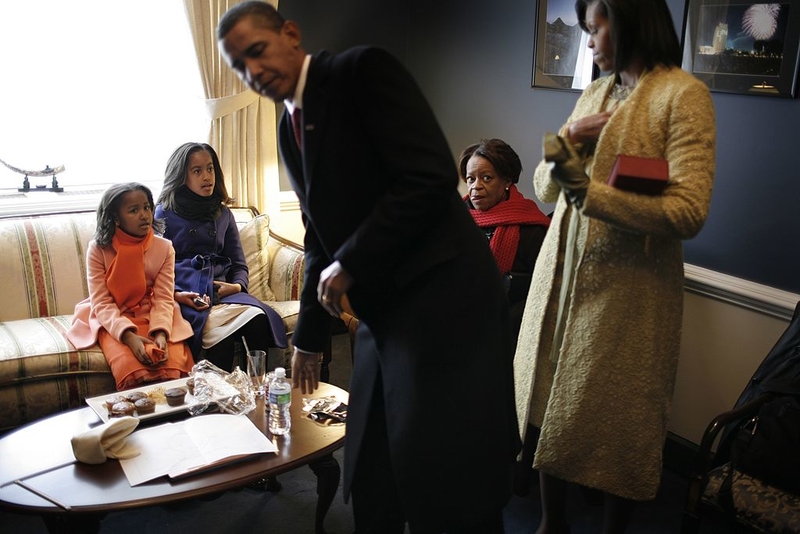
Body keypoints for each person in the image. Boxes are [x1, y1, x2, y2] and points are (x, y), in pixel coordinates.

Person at [217, 3, 520, 532]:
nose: (253, 71)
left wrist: (350, 262)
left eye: (258, 50)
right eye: (240, 66)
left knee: (447, 476)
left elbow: (426, 178)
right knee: (373, 463)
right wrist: (309, 336)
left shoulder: (362, 71)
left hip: (446, 302)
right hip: (386, 316)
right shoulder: (290, 130)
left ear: (290, 34)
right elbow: (318, 238)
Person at [513, 0, 716, 532]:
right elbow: (543, 188)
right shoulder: (598, 90)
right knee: (550, 400)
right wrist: (568, 143)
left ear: (629, 18)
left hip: (629, 291)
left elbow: (688, 211)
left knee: (617, 417)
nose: (589, 40)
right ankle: (550, 524)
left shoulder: (683, 96)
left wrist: (590, 195)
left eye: (595, 26)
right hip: (561, 274)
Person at [154, 142, 287, 372]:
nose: (207, 177)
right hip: (187, 294)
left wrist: (236, 286)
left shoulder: (222, 213)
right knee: (221, 339)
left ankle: (256, 390)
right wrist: (178, 294)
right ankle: (219, 402)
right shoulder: (163, 213)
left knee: (260, 320)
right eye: (197, 171)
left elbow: (238, 263)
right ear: (181, 176)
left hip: (224, 294)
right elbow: (155, 270)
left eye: (210, 168)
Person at [67, 183, 195, 391]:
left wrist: (161, 333)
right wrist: (128, 337)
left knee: (174, 363)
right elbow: (101, 302)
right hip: (113, 317)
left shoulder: (165, 248)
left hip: (153, 314)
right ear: (115, 218)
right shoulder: (98, 249)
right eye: (134, 210)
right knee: (130, 366)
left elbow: (163, 298)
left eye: (146, 207)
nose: (144, 215)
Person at [459, 139, 550, 341]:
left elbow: (543, 293)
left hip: (509, 333)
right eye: (470, 179)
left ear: (507, 181)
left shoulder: (531, 227)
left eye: (486, 178)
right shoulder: (454, 221)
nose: (476, 187)